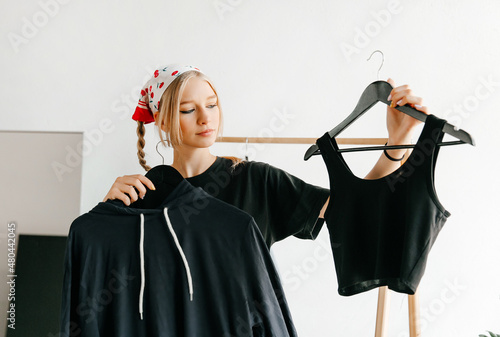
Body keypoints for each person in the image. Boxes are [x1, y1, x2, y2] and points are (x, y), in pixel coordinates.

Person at [103, 64, 428, 248]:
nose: (206, 118)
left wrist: (398, 144)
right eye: (189, 109)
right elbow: (106, 272)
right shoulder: (144, 194)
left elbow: (355, 207)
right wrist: (107, 212)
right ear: (161, 120)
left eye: (212, 104)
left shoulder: (254, 180)